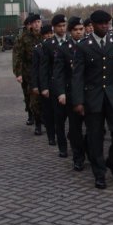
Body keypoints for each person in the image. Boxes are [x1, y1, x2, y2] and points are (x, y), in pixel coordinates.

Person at [72, 10, 113, 189]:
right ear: (93, 25)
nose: (105, 26)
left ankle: (112, 161)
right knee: (95, 137)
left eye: (107, 23)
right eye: (101, 23)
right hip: (93, 98)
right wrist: (78, 101)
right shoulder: (83, 46)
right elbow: (78, 76)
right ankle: (99, 173)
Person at [53, 16, 87, 171]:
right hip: (72, 93)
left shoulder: (89, 45)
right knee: (75, 129)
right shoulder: (63, 48)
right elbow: (58, 73)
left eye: (81, 29)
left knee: (95, 127)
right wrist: (61, 92)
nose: (79, 32)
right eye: (75, 30)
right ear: (70, 31)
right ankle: (78, 158)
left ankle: (90, 151)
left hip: (90, 93)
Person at [40, 14, 68, 152]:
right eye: (59, 26)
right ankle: (62, 146)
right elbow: (44, 67)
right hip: (55, 85)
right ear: (54, 27)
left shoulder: (72, 41)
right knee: (58, 117)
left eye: (64, 25)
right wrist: (44, 87)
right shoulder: (48, 44)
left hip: (71, 84)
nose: (62, 28)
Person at [14, 14, 43, 134]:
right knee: (32, 98)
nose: (37, 24)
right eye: (34, 22)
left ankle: (44, 119)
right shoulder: (23, 38)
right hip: (29, 73)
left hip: (45, 72)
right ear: (30, 25)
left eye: (38, 22)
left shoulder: (45, 35)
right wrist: (18, 73)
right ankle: (36, 122)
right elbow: (18, 56)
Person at [30, 23, 53, 136]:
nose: (49, 36)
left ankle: (50, 126)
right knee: (38, 105)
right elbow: (34, 68)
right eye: (46, 34)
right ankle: (38, 125)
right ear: (42, 35)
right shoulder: (38, 49)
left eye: (50, 33)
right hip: (41, 81)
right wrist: (34, 85)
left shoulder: (57, 46)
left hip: (53, 80)